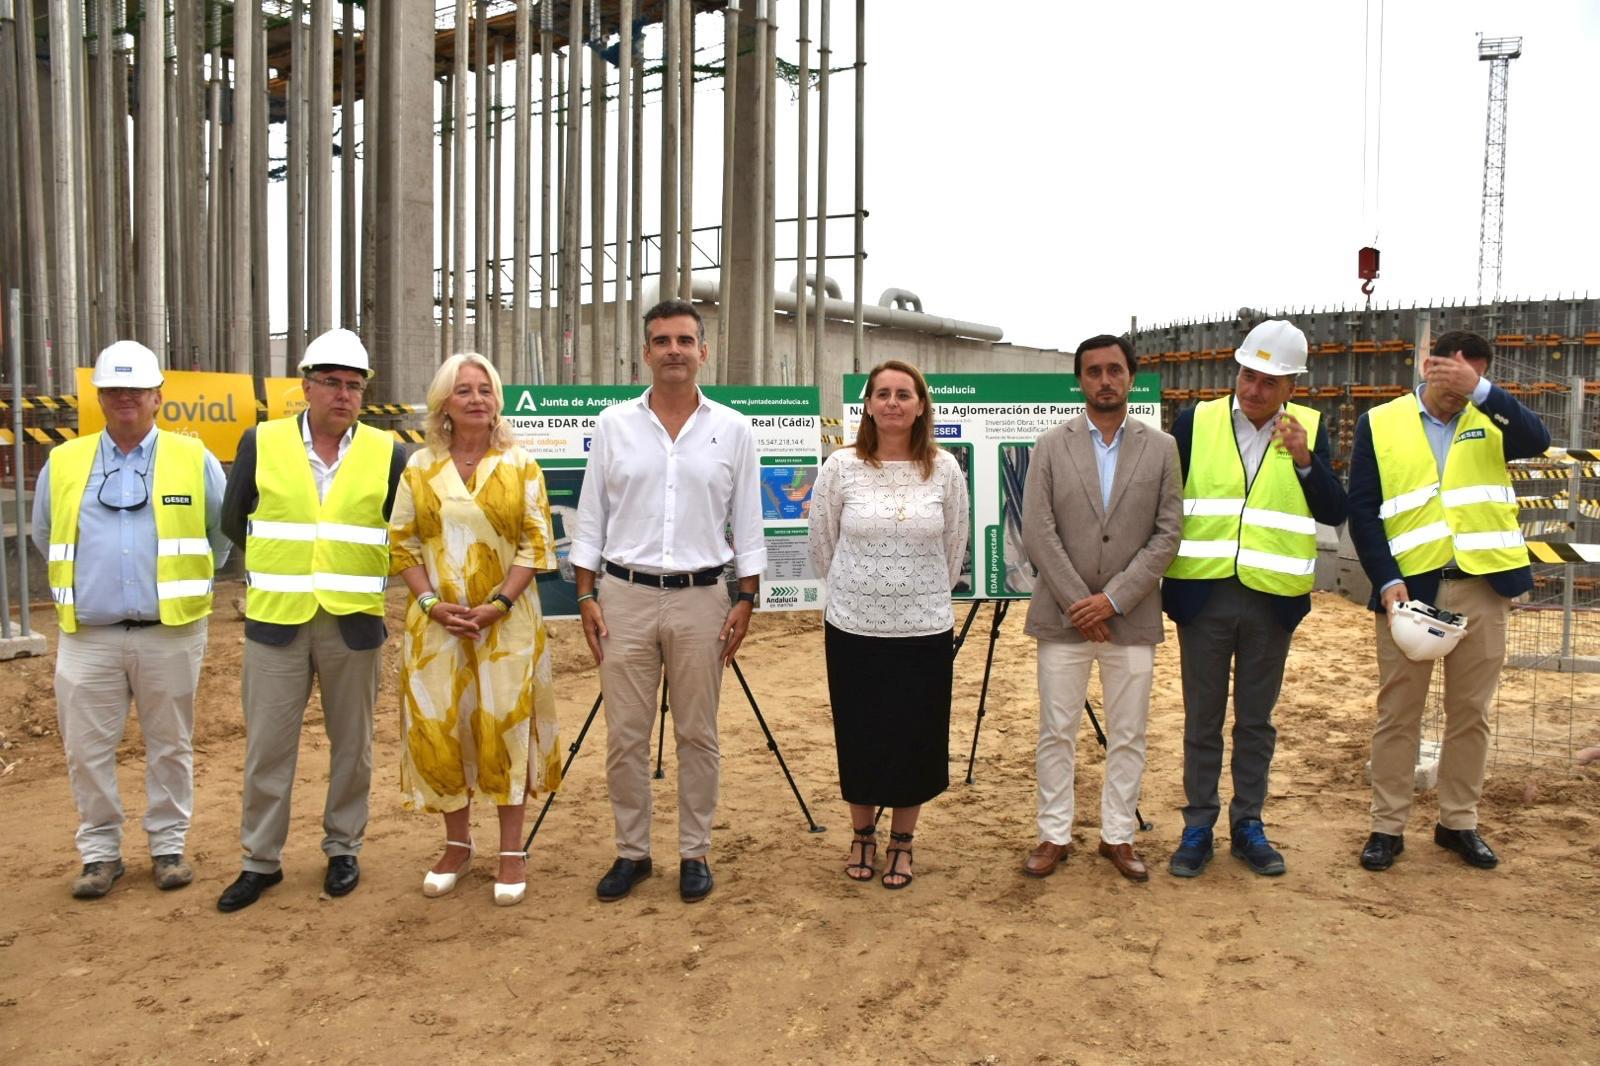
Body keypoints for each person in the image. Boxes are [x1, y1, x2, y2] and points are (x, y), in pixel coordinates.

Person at [570, 299, 766, 904]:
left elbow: (749, 522)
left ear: (703, 351)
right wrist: (585, 595)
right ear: (646, 352)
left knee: (698, 736)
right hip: (624, 598)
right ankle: (633, 852)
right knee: (625, 736)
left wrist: (746, 599)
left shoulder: (732, 429)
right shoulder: (612, 426)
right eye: (662, 340)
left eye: (685, 340)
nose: (674, 350)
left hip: (702, 599)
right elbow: (591, 518)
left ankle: (693, 852)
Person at [216, 328, 407, 912]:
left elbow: (400, 532)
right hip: (276, 624)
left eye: (354, 386)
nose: (343, 395)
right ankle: (260, 861)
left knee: (353, 747)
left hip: (353, 624)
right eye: (331, 383)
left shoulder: (387, 451)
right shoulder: (263, 441)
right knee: (268, 748)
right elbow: (233, 520)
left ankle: (343, 848)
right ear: (306, 386)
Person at [32, 341, 229, 898]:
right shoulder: (64, 462)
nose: (125, 399)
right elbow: (46, 534)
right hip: (88, 634)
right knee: (86, 749)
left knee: (170, 743)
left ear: (158, 397)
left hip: (170, 631)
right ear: (99, 397)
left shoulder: (195, 459)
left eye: (135, 390)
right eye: (114, 390)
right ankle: (100, 854)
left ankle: (168, 846)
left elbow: (219, 537)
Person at [1348, 330, 1549, 872]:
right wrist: (1386, 578)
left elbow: (1538, 438)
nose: (1456, 390)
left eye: (1470, 378)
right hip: (1410, 592)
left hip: (1483, 586)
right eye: (1450, 377)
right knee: (1398, 713)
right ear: (1427, 366)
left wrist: (1482, 391)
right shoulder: (1381, 423)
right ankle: (1386, 827)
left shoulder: (1491, 416)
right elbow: (1364, 510)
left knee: (1470, 714)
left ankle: (1458, 822)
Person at [1162, 319, 1348, 878]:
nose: (1254, 388)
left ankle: (1248, 824)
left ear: (1292, 385)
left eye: (1269, 380)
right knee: (1202, 718)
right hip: (1204, 596)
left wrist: (1306, 461)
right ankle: (1198, 825)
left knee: (1256, 721)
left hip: (1273, 602)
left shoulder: (1309, 431)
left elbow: (1334, 510)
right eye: (1248, 374)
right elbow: (1168, 500)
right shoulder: (1196, 422)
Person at [389, 353, 561, 906]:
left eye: (485, 389)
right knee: (443, 729)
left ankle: (512, 852)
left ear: (498, 399)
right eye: (463, 390)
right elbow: (403, 543)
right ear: (444, 402)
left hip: (505, 627)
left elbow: (537, 545)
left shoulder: (520, 464)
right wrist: (433, 603)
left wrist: (497, 605)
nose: (476, 398)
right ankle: (457, 845)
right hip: (436, 628)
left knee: (505, 727)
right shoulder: (419, 467)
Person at [1019, 336, 1182, 883]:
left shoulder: (1160, 448)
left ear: (1131, 377)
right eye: (1093, 372)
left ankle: (1118, 835)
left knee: (1130, 732)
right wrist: (1080, 603)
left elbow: (1167, 535)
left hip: (1130, 619)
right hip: (1062, 619)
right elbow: (1037, 531)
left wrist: (1112, 600)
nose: (1105, 380)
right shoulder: (1049, 446)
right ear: (1080, 380)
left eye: (1115, 370)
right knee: (1056, 729)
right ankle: (1053, 834)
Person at [808, 359, 969, 890]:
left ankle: (902, 842)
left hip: (923, 628)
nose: (893, 403)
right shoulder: (840, 467)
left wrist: (915, 595)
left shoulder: (944, 469)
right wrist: (862, 590)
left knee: (915, 736)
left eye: (904, 394)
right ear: (868, 405)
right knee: (860, 732)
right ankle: (861, 834)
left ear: (921, 405)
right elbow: (822, 546)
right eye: (883, 394)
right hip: (853, 626)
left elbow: (954, 550)